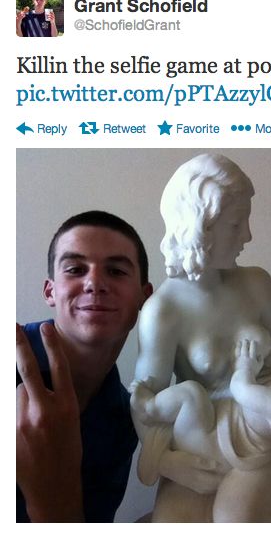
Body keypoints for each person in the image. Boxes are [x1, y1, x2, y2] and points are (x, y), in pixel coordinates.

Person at [131, 154, 271, 522]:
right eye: (236, 223)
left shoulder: (258, 284)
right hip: (202, 441)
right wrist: (167, 463)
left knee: (236, 518)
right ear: (198, 227)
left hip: (265, 435)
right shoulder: (163, 310)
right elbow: (145, 398)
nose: (248, 236)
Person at [16, 210, 154, 522]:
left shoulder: (125, 419)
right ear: (50, 291)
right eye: (76, 269)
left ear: (144, 297)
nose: (94, 283)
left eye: (116, 271)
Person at [131, 337, 271, 499]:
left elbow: (240, 387)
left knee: (191, 394)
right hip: (219, 435)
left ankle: (149, 408)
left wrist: (245, 367)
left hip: (213, 447)